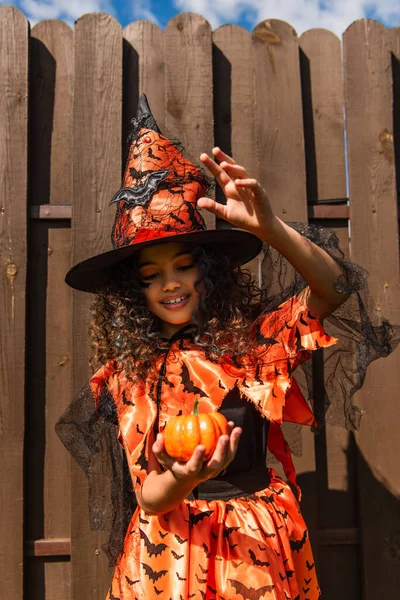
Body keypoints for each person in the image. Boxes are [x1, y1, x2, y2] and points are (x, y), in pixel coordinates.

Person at [57, 95, 397, 600]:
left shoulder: (252, 344)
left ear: (208, 269)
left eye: (184, 266)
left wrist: (270, 228)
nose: (170, 284)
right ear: (135, 292)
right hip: (169, 554)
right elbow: (148, 495)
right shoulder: (128, 375)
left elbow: (334, 291)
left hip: (255, 541)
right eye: (152, 276)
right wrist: (184, 480)